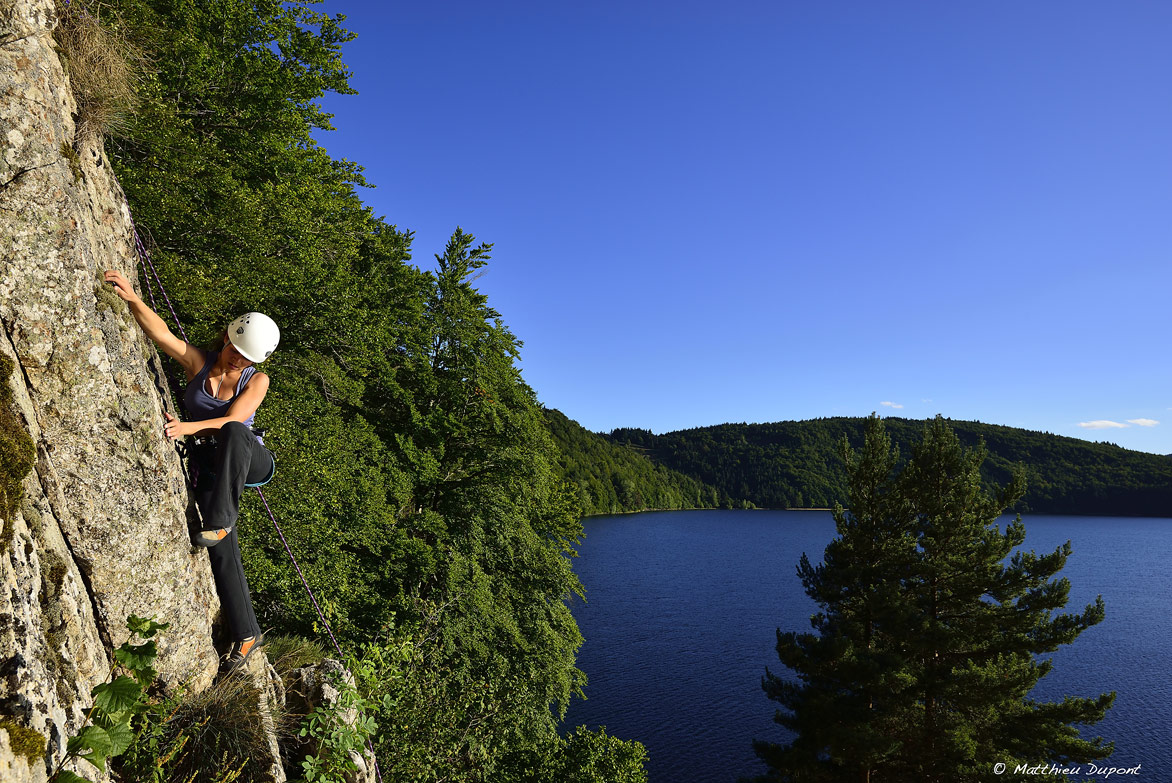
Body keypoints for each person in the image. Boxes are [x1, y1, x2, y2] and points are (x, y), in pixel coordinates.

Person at [104, 269, 279, 672]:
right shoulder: (200, 362)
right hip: (212, 464)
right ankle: (247, 634)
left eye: (246, 357)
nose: (237, 359)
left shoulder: (259, 380)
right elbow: (163, 335)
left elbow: (233, 420)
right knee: (220, 550)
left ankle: (222, 518)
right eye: (235, 349)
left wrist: (187, 427)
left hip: (249, 457)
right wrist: (133, 299)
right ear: (227, 338)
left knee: (235, 429)